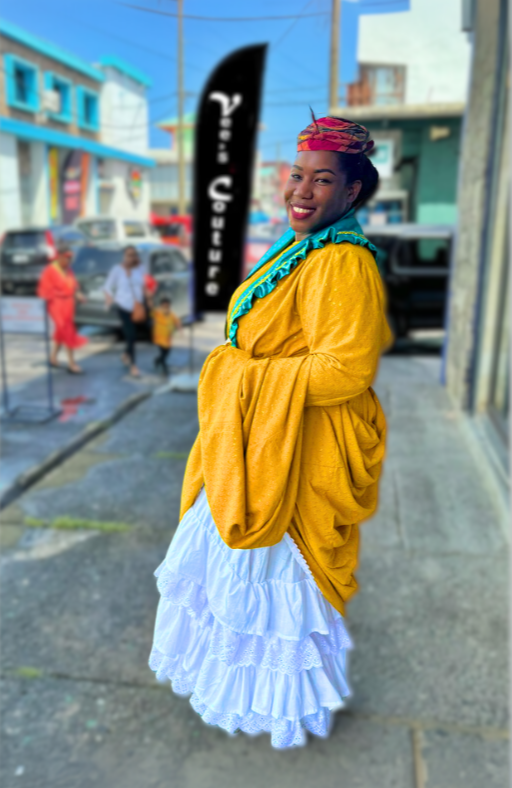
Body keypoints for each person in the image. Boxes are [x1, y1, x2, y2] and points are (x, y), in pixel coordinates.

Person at [149, 115, 392, 748]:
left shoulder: (341, 262)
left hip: (291, 454)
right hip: (259, 445)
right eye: (296, 177)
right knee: (237, 589)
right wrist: (240, 373)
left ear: (351, 194)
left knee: (274, 593)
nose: (301, 192)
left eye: (321, 181)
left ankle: (279, 709)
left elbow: (345, 369)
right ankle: (241, 696)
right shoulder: (301, 247)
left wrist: (245, 377)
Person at [37, 239, 87, 374]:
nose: (69, 261)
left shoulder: (68, 269)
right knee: (66, 330)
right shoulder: (50, 270)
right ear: (59, 256)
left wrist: (78, 294)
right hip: (55, 304)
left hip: (68, 304)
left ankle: (53, 357)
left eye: (71, 258)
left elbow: (73, 284)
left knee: (61, 332)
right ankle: (72, 364)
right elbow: (43, 291)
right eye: (67, 258)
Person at [103, 245, 150, 378]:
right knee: (131, 335)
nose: (132, 257)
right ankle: (133, 365)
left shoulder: (140, 268)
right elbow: (107, 286)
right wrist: (108, 297)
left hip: (137, 307)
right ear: (124, 256)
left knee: (134, 334)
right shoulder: (117, 270)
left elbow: (143, 285)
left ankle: (126, 353)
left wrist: (148, 297)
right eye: (129, 255)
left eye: (134, 254)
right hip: (123, 306)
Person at [152, 296, 182, 375]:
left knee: (166, 354)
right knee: (163, 355)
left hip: (168, 339)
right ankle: (165, 370)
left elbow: (177, 321)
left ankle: (157, 360)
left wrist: (180, 331)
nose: (165, 307)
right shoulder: (157, 312)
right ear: (161, 305)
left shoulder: (171, 314)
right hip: (159, 338)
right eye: (164, 305)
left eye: (167, 306)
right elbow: (151, 313)